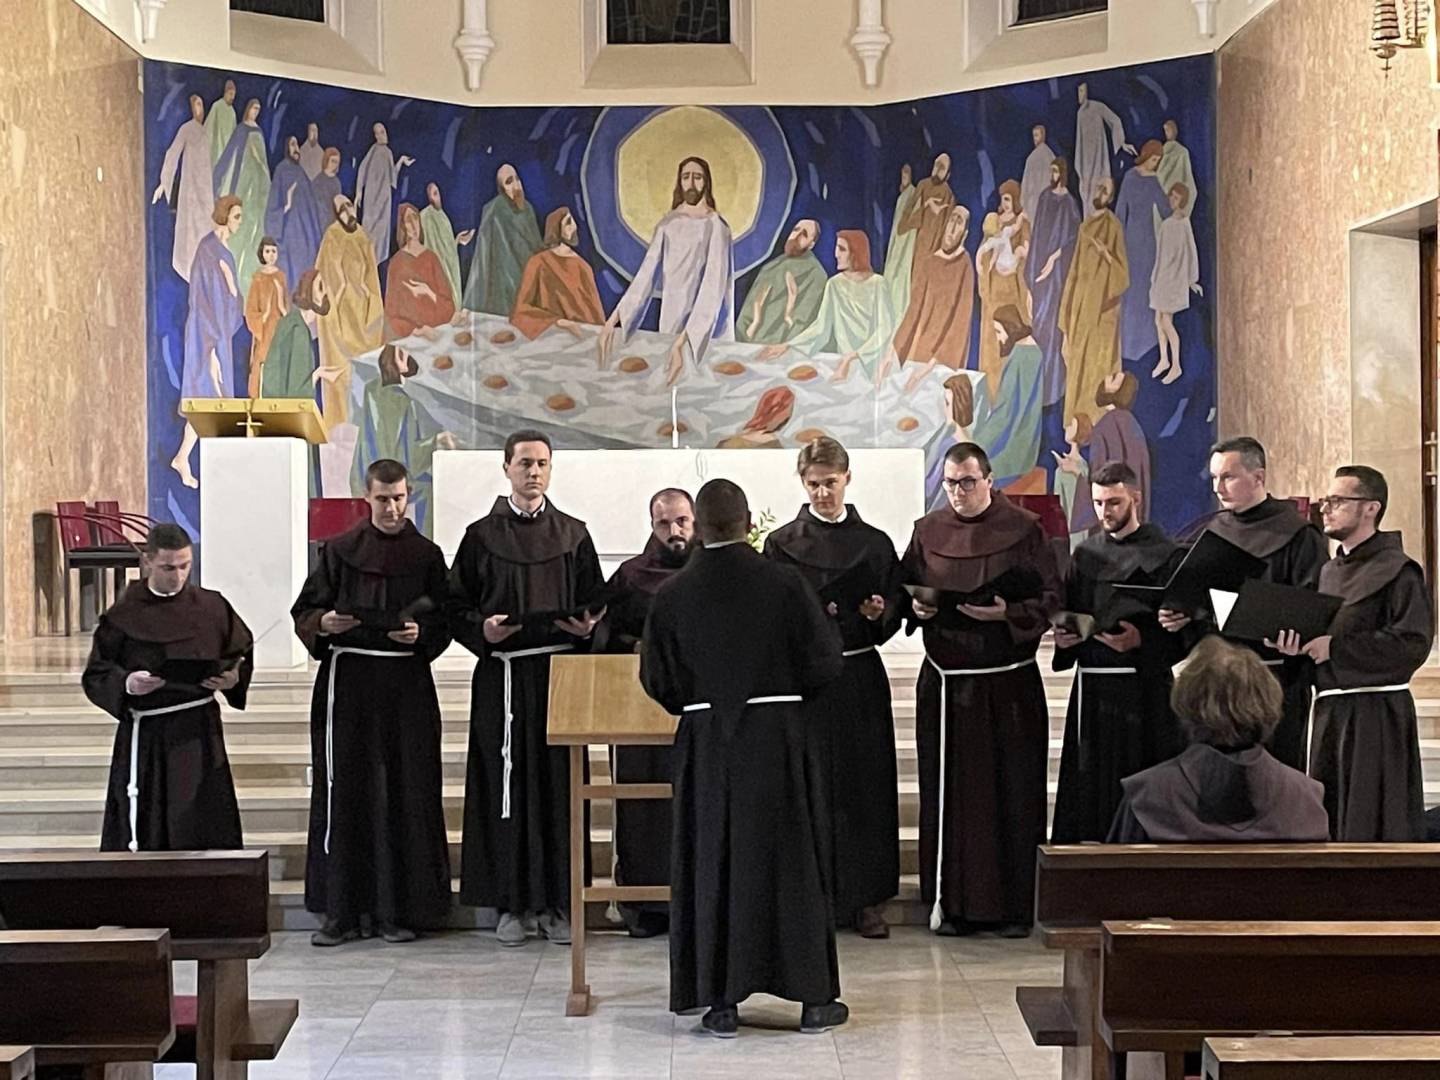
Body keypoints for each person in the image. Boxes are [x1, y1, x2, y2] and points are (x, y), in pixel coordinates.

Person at [641, 478, 848, 1037]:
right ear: (749, 522)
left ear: (699, 528)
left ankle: (721, 1002)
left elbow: (658, 679)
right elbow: (825, 662)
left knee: (715, 861)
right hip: (778, 739)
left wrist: (703, 705)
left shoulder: (673, 594)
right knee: (792, 862)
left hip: (709, 741)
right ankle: (813, 1001)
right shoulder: (786, 582)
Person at [448, 430, 605, 946]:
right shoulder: (479, 536)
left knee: (561, 788)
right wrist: (482, 631)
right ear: (506, 468)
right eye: (524, 463)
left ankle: (561, 902)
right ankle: (511, 904)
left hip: (560, 677)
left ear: (551, 469)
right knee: (506, 787)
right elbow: (454, 606)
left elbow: (596, 601)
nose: (533, 472)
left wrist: (587, 628)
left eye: (541, 463)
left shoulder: (574, 535)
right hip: (505, 677)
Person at [291, 459, 453, 945]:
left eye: (399, 498)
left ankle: (399, 910)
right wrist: (323, 623)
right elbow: (306, 609)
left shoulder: (427, 555)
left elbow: (447, 616)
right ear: (367, 497)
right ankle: (342, 910)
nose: (391, 508)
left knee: (405, 790)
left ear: (409, 497)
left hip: (405, 686)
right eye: (382, 499)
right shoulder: (340, 551)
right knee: (346, 791)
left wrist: (422, 633)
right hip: (350, 684)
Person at [902, 443, 1060, 937]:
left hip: (1007, 684)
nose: (959, 492)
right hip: (947, 687)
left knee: (1011, 794)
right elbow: (906, 589)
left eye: (968, 482)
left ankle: (1012, 908)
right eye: (950, 483)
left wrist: (1008, 612)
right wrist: (918, 608)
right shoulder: (927, 532)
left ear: (989, 481)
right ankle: (950, 903)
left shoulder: (1025, 530)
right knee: (952, 799)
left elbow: (1052, 597)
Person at [763, 438, 903, 939]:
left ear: (848, 478)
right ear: (802, 483)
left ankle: (867, 899)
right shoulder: (781, 544)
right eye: (814, 484)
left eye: (831, 483)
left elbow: (895, 605)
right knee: (811, 787)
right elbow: (772, 612)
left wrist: (879, 612)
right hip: (808, 685)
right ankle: (813, 896)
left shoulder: (875, 543)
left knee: (866, 786)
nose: (823, 493)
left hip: (860, 676)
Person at [1271, 466, 1434, 841]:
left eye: (1338, 501)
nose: (1326, 509)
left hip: (1377, 716)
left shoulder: (1399, 571)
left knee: (1372, 819)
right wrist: (1295, 649)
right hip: (1330, 714)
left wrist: (1336, 649)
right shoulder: (1328, 571)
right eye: (1325, 500)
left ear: (1370, 508)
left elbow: (1412, 643)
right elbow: (1319, 639)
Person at [83, 524, 253, 853]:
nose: (178, 576)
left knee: (202, 821)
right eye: (168, 568)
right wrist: (127, 683)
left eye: (185, 566)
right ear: (148, 562)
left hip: (199, 732)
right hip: (149, 735)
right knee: (151, 821)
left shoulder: (212, 607)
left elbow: (239, 652)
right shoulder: (124, 614)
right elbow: (97, 673)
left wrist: (232, 678)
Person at [1162, 437, 1328, 771]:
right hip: (1216, 680)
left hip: (1274, 679)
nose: (1218, 488)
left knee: (1274, 778)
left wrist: (1295, 635)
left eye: (1228, 477)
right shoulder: (1210, 533)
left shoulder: (1298, 534)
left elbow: (1312, 606)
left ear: (1258, 477)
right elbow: (1201, 602)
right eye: (1214, 478)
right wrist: (1181, 617)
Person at [1050, 462, 1185, 842]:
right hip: (1093, 692)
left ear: (1135, 498)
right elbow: (1069, 611)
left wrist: (1142, 641)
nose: (1104, 512)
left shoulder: (1166, 554)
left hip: (1144, 691)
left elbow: (1184, 628)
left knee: (1142, 783)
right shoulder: (1085, 555)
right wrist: (1065, 639)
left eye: (1113, 502)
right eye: (1098, 503)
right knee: (1090, 789)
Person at [591, 488, 696, 938]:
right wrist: (636, 647)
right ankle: (643, 906)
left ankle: (695, 902)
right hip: (638, 710)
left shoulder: (707, 573)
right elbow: (605, 636)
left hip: (695, 712)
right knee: (642, 810)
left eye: (682, 521)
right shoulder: (631, 577)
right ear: (651, 525)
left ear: (695, 521)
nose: (674, 531)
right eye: (664, 523)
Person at [1108, 636, 1329, 843]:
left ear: (1186, 703)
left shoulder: (1146, 796)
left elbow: (1116, 869)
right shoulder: (1306, 797)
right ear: (1269, 702)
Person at [599, 156, 735, 383]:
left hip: (706, 330)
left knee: (700, 385)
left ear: (706, 182)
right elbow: (645, 275)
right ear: (679, 182)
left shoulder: (716, 226)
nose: (691, 184)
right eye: (686, 177)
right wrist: (613, 320)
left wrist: (685, 339)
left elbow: (713, 288)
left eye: (698, 177)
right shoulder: (668, 224)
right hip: (671, 320)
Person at [171, 195, 244, 490]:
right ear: (225, 216)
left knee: (211, 400)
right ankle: (199, 461)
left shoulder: (223, 252)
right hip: (207, 334)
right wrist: (211, 344)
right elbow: (203, 298)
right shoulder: (209, 249)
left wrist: (232, 289)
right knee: (212, 397)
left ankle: (184, 457)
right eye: (237, 216)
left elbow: (232, 299)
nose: (240, 222)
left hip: (217, 335)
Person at [761, 230, 894, 384]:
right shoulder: (834, 284)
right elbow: (821, 328)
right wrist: (788, 345)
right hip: (845, 364)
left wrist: (855, 355)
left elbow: (886, 328)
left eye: (842, 249)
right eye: (836, 248)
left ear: (856, 252)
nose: (836, 254)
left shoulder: (878, 283)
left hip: (875, 362)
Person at [1057, 176, 1128, 427]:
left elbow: (1122, 275)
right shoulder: (1085, 226)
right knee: (1077, 367)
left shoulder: (1114, 226)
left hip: (1103, 311)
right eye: (1099, 187)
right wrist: (1066, 318)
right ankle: (1075, 425)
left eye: (1105, 190)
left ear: (1111, 197)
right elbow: (1074, 272)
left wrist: (1106, 254)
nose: (1100, 192)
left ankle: (1097, 423)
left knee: (1099, 367)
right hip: (1080, 310)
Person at [883, 206, 975, 393]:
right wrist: (890, 354)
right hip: (918, 352)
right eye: (951, 220)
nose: (952, 228)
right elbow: (913, 312)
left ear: (964, 234)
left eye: (959, 223)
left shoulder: (965, 266)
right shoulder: (929, 262)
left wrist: (927, 368)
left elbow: (960, 323)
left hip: (942, 363)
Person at [315, 194, 385, 425]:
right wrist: (341, 288)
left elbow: (371, 277)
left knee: (366, 373)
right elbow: (327, 277)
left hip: (363, 314)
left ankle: (367, 424)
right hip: (342, 317)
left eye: (349, 205)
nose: (348, 211)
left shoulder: (363, 236)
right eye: (342, 209)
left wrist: (368, 296)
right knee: (343, 374)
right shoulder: (332, 237)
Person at [1027, 158, 1080, 409]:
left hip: (1057, 279)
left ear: (1063, 173)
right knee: (1038, 330)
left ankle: (1052, 389)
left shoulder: (1069, 203)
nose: (1052, 175)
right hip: (1040, 277)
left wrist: (1054, 258)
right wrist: (1032, 273)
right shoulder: (1044, 198)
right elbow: (1037, 234)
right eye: (1051, 171)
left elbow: (1073, 240)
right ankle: (1037, 387)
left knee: (1052, 333)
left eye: (1056, 171)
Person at [510, 208, 606, 340]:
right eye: (568, 222)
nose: (574, 226)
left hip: (581, 338)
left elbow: (596, 316)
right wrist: (558, 322)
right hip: (548, 335)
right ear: (556, 228)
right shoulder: (538, 262)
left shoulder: (583, 266)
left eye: (573, 222)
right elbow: (521, 310)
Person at [464, 163, 544, 316]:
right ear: (502, 189)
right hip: (504, 285)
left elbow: (536, 245)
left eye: (517, 178)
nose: (516, 185)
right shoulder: (494, 209)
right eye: (509, 182)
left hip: (528, 281)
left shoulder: (527, 209)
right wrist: (469, 304)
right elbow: (482, 255)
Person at [152, 93, 215, 283]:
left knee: (206, 229)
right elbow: (173, 153)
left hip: (206, 189)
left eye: (201, 104)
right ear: (192, 108)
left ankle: (203, 272)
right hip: (192, 189)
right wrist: (164, 182)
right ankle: (191, 272)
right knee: (191, 231)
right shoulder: (187, 129)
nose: (200, 109)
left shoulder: (206, 132)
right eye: (197, 105)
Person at [1115, 141, 1168, 363]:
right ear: (1146, 156)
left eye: (1158, 161)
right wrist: (1116, 241)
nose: (1155, 164)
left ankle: (1146, 343)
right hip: (1130, 240)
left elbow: (1165, 210)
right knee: (1130, 291)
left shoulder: (1154, 181)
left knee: (1146, 291)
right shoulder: (1130, 177)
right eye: (1154, 159)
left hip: (1148, 244)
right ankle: (1127, 345)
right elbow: (1121, 211)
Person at [735, 219, 827, 345]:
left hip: (782, 347)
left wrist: (790, 310)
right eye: (796, 230)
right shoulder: (770, 267)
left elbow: (803, 324)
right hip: (750, 342)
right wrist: (748, 330)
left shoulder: (816, 274)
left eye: (804, 234)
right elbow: (748, 313)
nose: (796, 236)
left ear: (811, 244)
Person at [212, 98, 270, 294]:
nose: (256, 112)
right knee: (238, 227)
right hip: (242, 183)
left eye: (258, 109)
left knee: (254, 228)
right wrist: (217, 179)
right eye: (254, 108)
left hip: (256, 186)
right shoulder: (242, 130)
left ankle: (249, 274)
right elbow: (229, 154)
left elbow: (263, 162)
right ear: (248, 109)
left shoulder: (258, 132)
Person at [1150, 182, 1202, 385]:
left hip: (1174, 279)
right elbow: (1160, 254)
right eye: (1171, 196)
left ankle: (1176, 365)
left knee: (1166, 321)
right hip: (1162, 278)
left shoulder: (1184, 224)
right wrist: (1155, 277)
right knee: (1158, 319)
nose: (1172, 200)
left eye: (1176, 197)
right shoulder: (1166, 225)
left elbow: (1191, 252)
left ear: (1182, 200)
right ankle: (1164, 359)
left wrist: (1192, 280)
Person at [384, 203, 457, 340]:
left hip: (438, 333)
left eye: (415, 218)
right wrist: (417, 331)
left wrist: (428, 292)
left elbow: (449, 307)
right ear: (402, 226)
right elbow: (391, 314)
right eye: (408, 220)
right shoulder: (396, 263)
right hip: (410, 338)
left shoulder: (431, 258)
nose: (413, 224)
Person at [264, 135, 324, 291]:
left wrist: (316, 235)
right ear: (286, 148)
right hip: (289, 237)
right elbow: (272, 209)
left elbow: (311, 207)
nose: (296, 148)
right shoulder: (281, 170)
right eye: (292, 144)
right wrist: (286, 205)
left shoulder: (301, 172)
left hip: (306, 238)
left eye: (297, 145)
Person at [354, 123, 415, 265]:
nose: (383, 135)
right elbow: (362, 170)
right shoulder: (373, 150)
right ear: (375, 136)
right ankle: (367, 262)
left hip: (384, 200)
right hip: (371, 199)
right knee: (369, 230)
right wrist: (359, 192)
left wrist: (401, 161)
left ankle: (375, 264)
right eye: (380, 132)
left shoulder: (388, 152)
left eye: (384, 131)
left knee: (381, 234)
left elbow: (392, 177)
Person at [1074, 81, 1135, 217]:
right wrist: (1079, 169)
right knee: (1087, 197)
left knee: (1100, 193)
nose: (1080, 95)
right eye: (1078, 91)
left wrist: (1121, 143)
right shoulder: (1080, 114)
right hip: (1085, 164)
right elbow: (1079, 143)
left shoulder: (1097, 107)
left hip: (1099, 160)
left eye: (1082, 91)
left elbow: (1115, 121)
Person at [420, 183, 476, 313]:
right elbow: (432, 246)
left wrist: (457, 241)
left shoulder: (442, 216)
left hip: (447, 264)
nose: (436, 197)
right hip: (436, 268)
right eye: (433, 194)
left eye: (437, 193)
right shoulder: (426, 216)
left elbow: (446, 246)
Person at [244, 237, 288, 398]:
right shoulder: (258, 278)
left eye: (274, 251)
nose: (271, 255)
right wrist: (264, 315)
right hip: (263, 330)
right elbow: (250, 310)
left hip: (278, 328)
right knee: (261, 360)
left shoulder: (281, 276)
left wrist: (281, 305)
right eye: (267, 251)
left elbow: (286, 307)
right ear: (262, 253)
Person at [1020, 124, 1057, 225]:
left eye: (1037, 135)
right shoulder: (1050, 156)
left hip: (1038, 200)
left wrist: (1023, 200)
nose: (1035, 139)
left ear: (1043, 136)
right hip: (1038, 200)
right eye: (1034, 136)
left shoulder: (1037, 157)